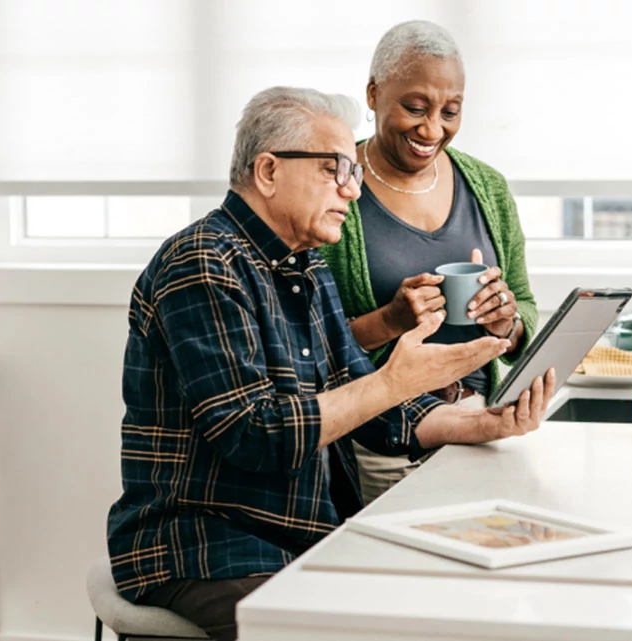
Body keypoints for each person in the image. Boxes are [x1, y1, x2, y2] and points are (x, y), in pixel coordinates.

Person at [106, 85, 555, 641]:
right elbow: (255, 435)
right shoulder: (203, 263)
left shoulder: (306, 265)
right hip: (205, 543)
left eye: (354, 174)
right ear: (269, 171)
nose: (351, 189)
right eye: (335, 169)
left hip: (299, 534)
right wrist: (395, 380)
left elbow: (363, 396)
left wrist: (481, 423)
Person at [319, 20, 538, 504]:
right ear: (374, 94)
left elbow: (524, 303)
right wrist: (391, 320)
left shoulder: (489, 187)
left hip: (484, 423)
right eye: (415, 108)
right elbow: (309, 349)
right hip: (383, 442)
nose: (432, 128)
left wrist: (509, 322)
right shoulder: (334, 190)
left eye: (451, 111)